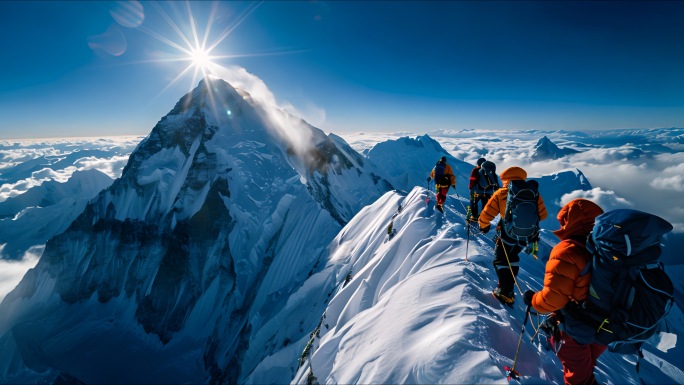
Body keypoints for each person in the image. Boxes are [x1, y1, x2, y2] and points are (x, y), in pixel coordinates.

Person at [523, 198, 606, 385]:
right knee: (586, 367)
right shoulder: (605, 249)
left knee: (578, 379)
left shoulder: (567, 250)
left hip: (577, 326)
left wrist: (532, 300)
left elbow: (553, 300)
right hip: (606, 325)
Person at [478, 166, 547, 305]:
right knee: (513, 257)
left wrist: (483, 226)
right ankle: (507, 287)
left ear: (505, 178)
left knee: (500, 259)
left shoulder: (501, 193)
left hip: (507, 235)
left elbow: (487, 214)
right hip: (526, 236)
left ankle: (505, 292)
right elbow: (543, 215)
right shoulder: (533, 193)